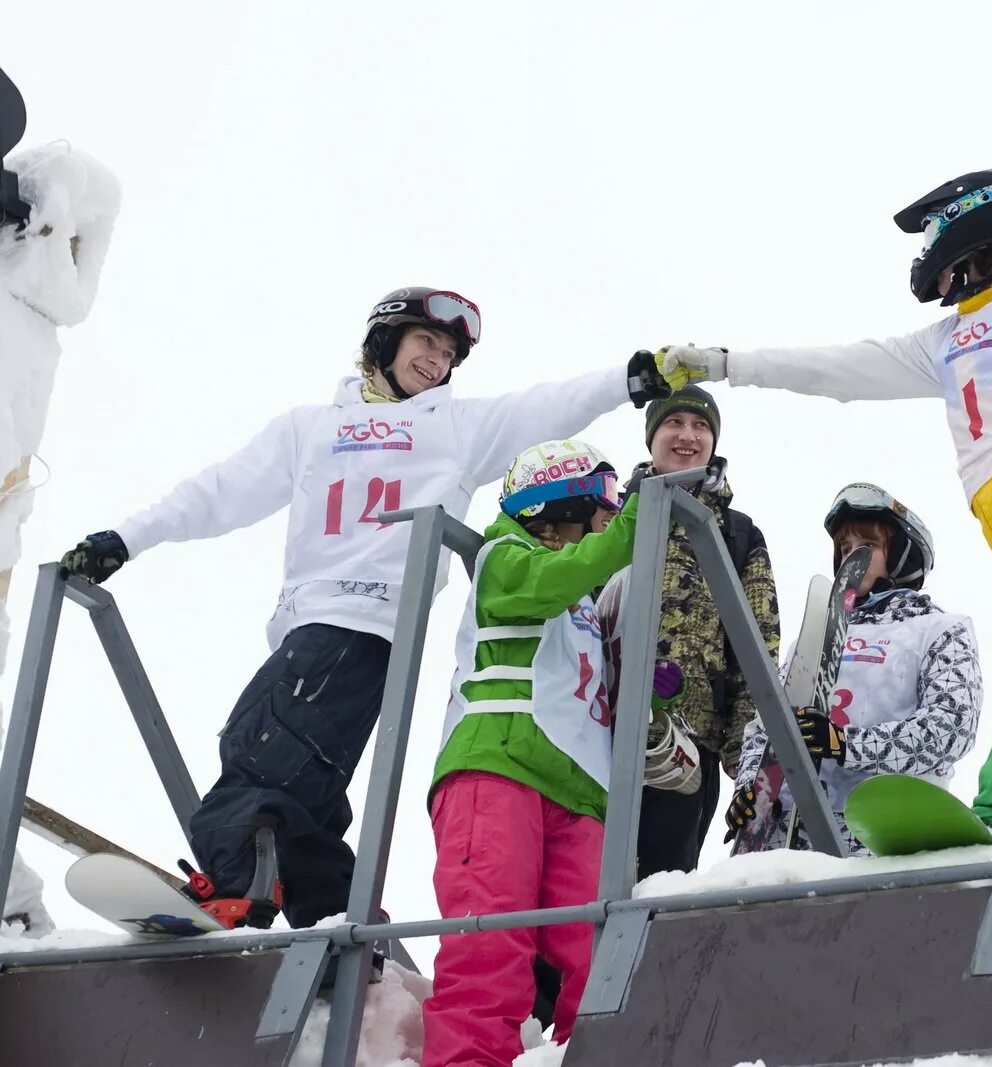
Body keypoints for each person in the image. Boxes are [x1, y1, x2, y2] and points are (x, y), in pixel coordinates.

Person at [58, 290, 673, 929]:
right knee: (310, 788)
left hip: (366, 623)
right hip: (312, 625)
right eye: (425, 344)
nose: (436, 362)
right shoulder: (310, 427)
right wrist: (126, 538)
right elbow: (218, 491)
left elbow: (545, 405)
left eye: (448, 354)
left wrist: (631, 379)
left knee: (259, 748)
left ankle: (236, 888)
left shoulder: (454, 428)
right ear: (386, 342)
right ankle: (333, 924)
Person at [649, 169, 992, 847]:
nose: (931, 267)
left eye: (933, 241)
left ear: (970, 233)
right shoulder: (949, 339)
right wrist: (727, 364)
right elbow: (841, 370)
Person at [423, 439, 674, 1059]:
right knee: (490, 945)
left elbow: (596, 686)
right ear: (560, 500)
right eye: (605, 503)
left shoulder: (586, 602)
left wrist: (652, 688)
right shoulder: (506, 556)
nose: (613, 516)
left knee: (603, 952)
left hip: (581, 793)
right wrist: (644, 516)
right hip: (498, 769)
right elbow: (559, 575)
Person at [724, 483, 982, 853]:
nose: (851, 557)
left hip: (880, 834)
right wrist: (751, 786)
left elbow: (950, 729)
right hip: (791, 842)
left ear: (902, 557)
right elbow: (766, 726)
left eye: (867, 547)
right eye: (844, 549)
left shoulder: (939, 629)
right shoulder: (814, 638)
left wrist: (847, 744)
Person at [595, 385, 781, 876]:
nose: (687, 436)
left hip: (689, 745)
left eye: (701, 427)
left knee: (661, 888)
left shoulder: (738, 534)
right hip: (596, 737)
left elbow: (758, 653)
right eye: (674, 423)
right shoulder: (609, 519)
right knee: (582, 884)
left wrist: (749, 767)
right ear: (652, 437)